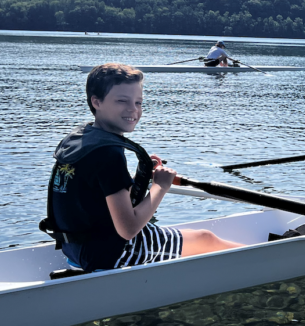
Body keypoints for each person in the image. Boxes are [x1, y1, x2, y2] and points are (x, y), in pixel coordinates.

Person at [42, 63, 243, 272]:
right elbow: (128, 229)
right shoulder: (109, 154)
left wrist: (142, 176)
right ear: (97, 102)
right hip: (113, 255)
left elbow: (98, 194)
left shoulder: (79, 139)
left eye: (138, 102)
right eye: (122, 101)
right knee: (206, 238)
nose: (133, 109)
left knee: (195, 237)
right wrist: (160, 186)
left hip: (76, 251)